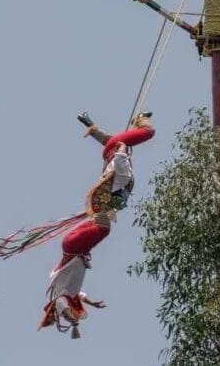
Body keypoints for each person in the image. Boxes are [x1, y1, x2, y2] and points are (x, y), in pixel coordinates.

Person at [37, 112, 155, 337]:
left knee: (104, 228)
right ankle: (126, 124)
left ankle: (141, 118)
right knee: (101, 224)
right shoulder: (69, 292)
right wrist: (90, 302)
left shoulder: (59, 296)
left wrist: (72, 321)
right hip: (76, 246)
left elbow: (62, 304)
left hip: (73, 247)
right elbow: (78, 295)